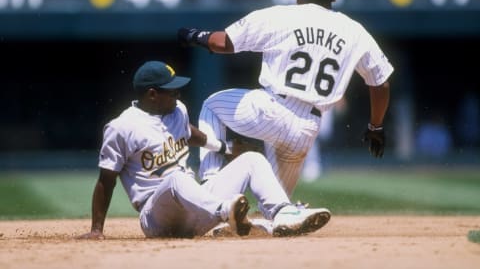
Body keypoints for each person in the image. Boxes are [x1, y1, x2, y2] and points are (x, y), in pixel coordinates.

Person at [177, 0, 394, 196]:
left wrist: (194, 35)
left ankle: (210, 185)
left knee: (213, 106)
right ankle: (281, 213)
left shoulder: (279, 16)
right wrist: (375, 126)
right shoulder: (354, 31)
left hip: (269, 109)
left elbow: (223, 43)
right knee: (277, 204)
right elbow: (381, 83)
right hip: (307, 128)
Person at [75, 60, 331, 239]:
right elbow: (105, 180)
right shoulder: (121, 127)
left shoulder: (177, 111)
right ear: (152, 94)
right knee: (175, 177)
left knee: (252, 159)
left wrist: (226, 147)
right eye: (171, 90)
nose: (177, 93)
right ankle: (225, 213)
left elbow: (191, 134)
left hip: (196, 208)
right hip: (156, 216)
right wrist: (97, 229)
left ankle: (282, 213)